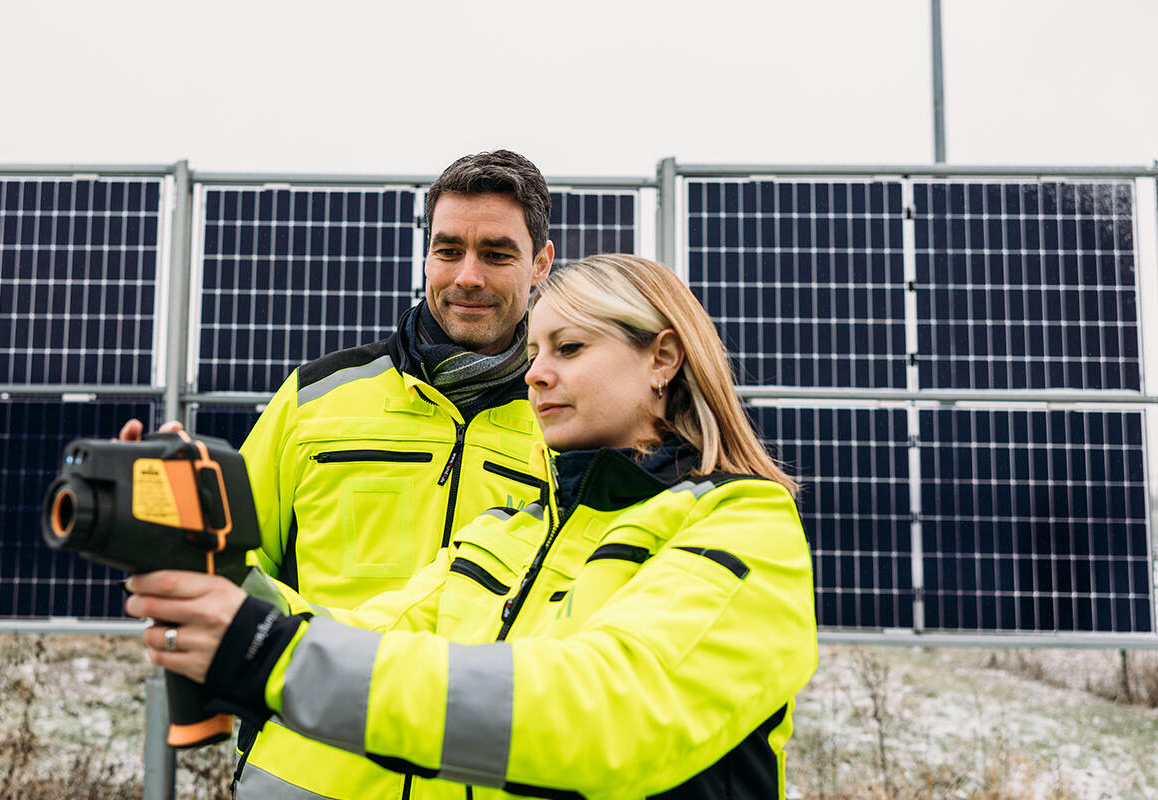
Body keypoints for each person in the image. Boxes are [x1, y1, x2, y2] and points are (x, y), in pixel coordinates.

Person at [125, 254, 819, 799]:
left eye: (569, 348)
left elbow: (605, 709)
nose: (535, 375)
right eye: (535, 352)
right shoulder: (508, 533)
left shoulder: (744, 525)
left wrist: (271, 652)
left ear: (662, 359)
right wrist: (211, 570)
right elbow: (367, 638)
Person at [121, 150, 557, 796]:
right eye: (448, 250)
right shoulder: (316, 399)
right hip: (304, 775)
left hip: (486, 778)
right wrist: (165, 519)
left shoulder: (567, 426)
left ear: (541, 263)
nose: (467, 276)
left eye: (496, 254)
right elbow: (228, 563)